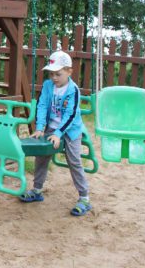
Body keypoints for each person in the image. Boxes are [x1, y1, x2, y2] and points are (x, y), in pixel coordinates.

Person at [19, 50, 92, 216]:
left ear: (69, 71)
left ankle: (84, 198)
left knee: (74, 160)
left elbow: (70, 115)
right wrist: (40, 128)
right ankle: (37, 190)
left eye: (58, 74)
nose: (54, 78)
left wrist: (58, 134)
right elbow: (42, 105)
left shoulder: (73, 90)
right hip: (51, 127)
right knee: (42, 157)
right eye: (51, 74)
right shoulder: (47, 86)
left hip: (71, 129)